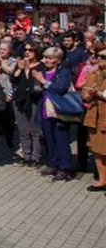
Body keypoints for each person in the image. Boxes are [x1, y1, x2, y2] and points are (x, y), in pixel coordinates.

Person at [34, 46, 75, 182]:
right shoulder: (44, 71)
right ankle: (53, 163)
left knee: (61, 139)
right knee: (49, 139)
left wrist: (44, 81)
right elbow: (38, 89)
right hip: (46, 108)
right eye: (45, 57)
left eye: (50, 58)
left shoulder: (63, 72)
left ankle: (65, 168)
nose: (46, 60)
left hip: (59, 110)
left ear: (58, 60)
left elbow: (61, 88)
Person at [10, 40, 46, 168]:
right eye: (26, 50)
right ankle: (26, 156)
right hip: (20, 100)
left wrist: (27, 72)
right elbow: (13, 79)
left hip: (34, 101)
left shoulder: (41, 66)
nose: (27, 52)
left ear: (36, 52)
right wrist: (20, 69)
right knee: (23, 131)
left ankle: (35, 157)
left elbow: (35, 86)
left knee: (35, 131)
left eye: (30, 50)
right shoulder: (21, 64)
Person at [81, 42, 106, 193]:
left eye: (103, 56)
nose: (100, 59)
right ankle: (102, 180)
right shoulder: (92, 74)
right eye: (98, 56)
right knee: (97, 149)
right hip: (94, 116)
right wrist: (86, 95)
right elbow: (84, 93)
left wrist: (99, 94)